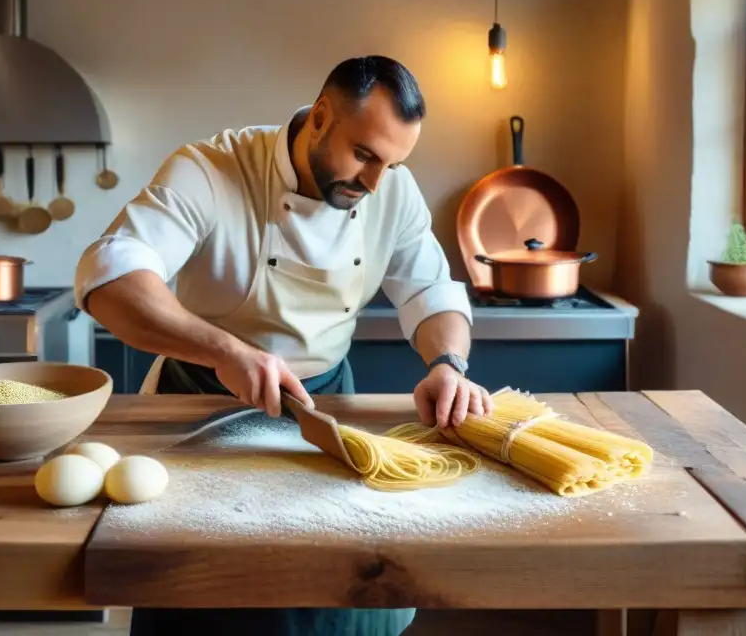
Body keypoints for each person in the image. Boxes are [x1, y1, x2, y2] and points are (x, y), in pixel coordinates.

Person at [73, 55, 491, 636]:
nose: (374, 183)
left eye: (392, 163)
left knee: (345, 578)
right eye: (365, 154)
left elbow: (430, 289)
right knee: (205, 587)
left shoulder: (390, 190)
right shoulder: (210, 169)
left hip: (322, 412)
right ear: (320, 117)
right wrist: (225, 351)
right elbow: (109, 277)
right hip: (197, 410)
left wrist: (448, 363)